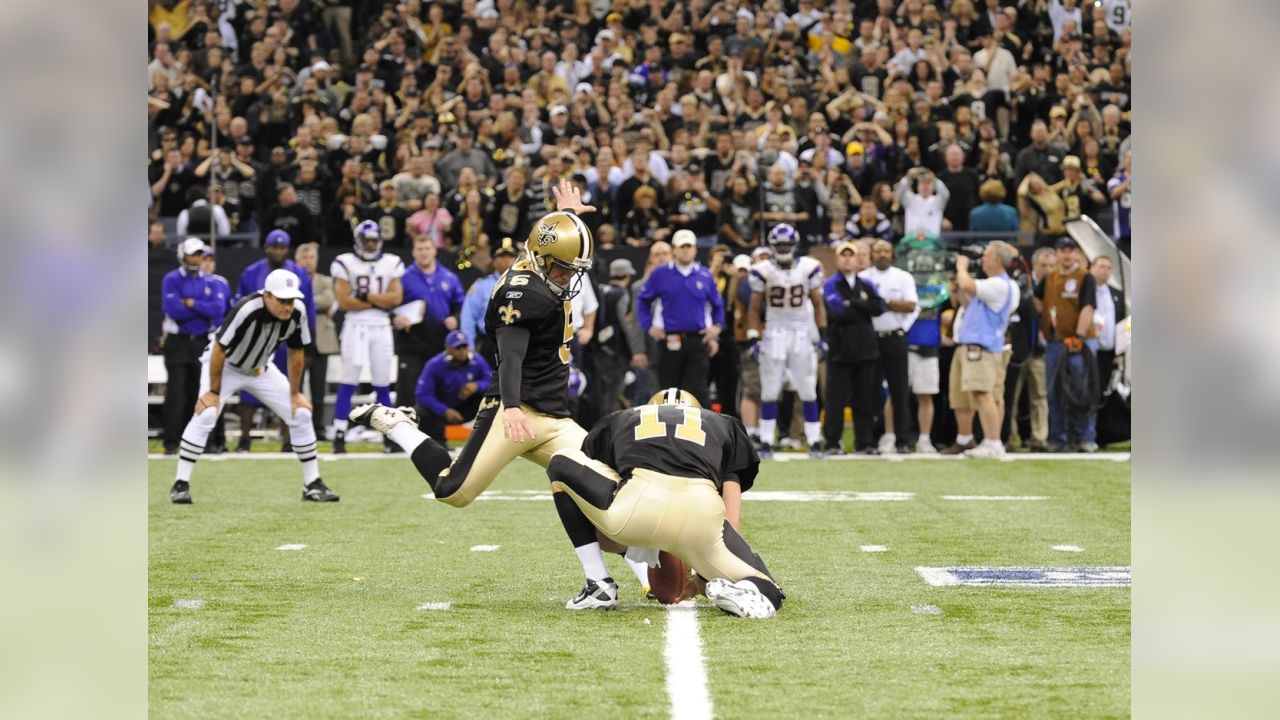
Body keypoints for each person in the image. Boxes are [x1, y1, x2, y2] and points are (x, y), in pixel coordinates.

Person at [346, 182, 631, 604]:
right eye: (562, 269)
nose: (568, 277)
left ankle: (603, 583)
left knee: (607, 489)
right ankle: (399, 425)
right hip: (513, 409)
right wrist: (512, 408)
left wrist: (569, 216)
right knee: (452, 491)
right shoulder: (520, 291)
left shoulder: (545, 266)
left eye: (572, 269)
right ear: (539, 261)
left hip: (553, 417)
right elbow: (510, 357)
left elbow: (549, 243)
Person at [544, 389, 785, 618]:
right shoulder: (724, 424)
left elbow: (607, 538)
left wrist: (645, 543)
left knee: (561, 461)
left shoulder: (623, 419)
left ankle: (598, 582)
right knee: (769, 589)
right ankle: (743, 591)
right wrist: (705, 570)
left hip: (637, 509)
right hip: (702, 519)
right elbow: (731, 510)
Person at [169, 268, 338, 504]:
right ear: (267, 296)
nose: (288, 306)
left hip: (260, 369)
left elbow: (297, 351)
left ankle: (312, 484)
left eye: (291, 300)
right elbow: (219, 348)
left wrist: (294, 392)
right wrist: (214, 392)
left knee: (300, 413)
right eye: (282, 300)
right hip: (225, 365)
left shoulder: (297, 312)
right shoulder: (247, 308)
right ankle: (180, 484)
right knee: (206, 413)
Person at [744, 224, 828, 458]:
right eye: (779, 245)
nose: (783, 248)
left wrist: (822, 337)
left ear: (794, 245)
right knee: (770, 389)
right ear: (772, 246)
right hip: (774, 332)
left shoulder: (808, 268)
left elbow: (818, 304)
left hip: (801, 331)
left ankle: (814, 441)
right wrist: (753, 339)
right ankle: (767, 441)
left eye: (786, 244)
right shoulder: (762, 270)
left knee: (808, 387)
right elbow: (754, 308)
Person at [232, 230, 316, 452]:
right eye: (274, 247)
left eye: (282, 248)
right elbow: (239, 306)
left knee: (290, 388)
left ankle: (289, 440)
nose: (278, 251)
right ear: (266, 247)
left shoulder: (298, 274)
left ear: (287, 250)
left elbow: (308, 311)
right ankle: (244, 439)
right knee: (248, 391)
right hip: (256, 340)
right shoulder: (251, 273)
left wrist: (307, 347)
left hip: (287, 339)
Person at [329, 219, 405, 453]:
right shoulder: (344, 262)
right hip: (355, 326)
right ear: (359, 241)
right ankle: (340, 433)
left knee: (382, 381)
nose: (371, 245)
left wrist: (365, 296)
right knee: (349, 379)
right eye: (367, 241)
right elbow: (344, 302)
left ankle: (388, 436)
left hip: (381, 326)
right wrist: (378, 300)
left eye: (374, 241)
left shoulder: (391, 262)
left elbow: (396, 299)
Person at [635, 230, 725, 407]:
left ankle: (700, 431)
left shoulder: (705, 275)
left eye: (689, 247)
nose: (685, 251)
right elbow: (642, 300)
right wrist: (648, 326)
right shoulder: (660, 274)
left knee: (698, 389)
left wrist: (716, 328)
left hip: (698, 340)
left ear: (695, 249)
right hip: (669, 340)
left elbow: (717, 305)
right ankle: (669, 432)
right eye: (681, 247)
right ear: (674, 249)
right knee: (669, 391)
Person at [951, 242, 1021, 458]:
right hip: (982, 344)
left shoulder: (999, 285)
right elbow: (966, 302)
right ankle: (991, 441)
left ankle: (993, 442)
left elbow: (969, 285)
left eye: (987, 255)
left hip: (982, 346)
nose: (982, 258)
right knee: (989, 395)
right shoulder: (996, 285)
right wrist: (958, 284)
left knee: (984, 394)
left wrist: (961, 267)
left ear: (999, 260)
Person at [160, 238, 229, 455]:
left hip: (202, 341)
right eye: (193, 254)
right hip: (178, 342)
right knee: (176, 392)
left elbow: (217, 310)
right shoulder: (171, 279)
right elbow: (174, 311)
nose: (197, 258)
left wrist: (191, 303)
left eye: (199, 254)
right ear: (182, 255)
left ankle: (203, 443)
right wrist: (201, 309)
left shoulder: (210, 281)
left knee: (202, 392)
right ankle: (171, 442)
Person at [393, 233, 465, 438]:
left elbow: (460, 306)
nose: (424, 253)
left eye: (427, 248)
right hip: (412, 343)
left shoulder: (449, 277)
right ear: (414, 252)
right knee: (407, 390)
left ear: (434, 250)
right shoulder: (403, 277)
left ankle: (436, 437)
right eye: (420, 249)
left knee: (437, 391)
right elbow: (391, 306)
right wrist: (396, 319)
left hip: (439, 344)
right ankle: (400, 438)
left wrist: (455, 319)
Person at [822, 240, 887, 454]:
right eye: (844, 255)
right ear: (837, 259)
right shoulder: (831, 284)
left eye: (851, 255)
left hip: (865, 349)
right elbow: (837, 311)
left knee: (865, 399)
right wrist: (862, 304)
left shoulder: (867, 283)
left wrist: (854, 302)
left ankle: (865, 442)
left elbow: (880, 307)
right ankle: (832, 442)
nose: (848, 258)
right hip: (840, 350)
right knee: (835, 400)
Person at [1035, 237, 1099, 452]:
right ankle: (1057, 438)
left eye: (1070, 250)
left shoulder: (1084, 277)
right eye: (1062, 250)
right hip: (1054, 342)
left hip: (1077, 342)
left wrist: (1079, 336)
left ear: (1076, 254)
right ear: (1057, 253)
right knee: (1054, 392)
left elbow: (1088, 307)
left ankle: (1084, 437)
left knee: (1081, 390)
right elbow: (1037, 301)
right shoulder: (1049, 278)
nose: (1066, 254)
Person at [859, 240, 919, 455]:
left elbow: (912, 306)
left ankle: (903, 440)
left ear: (892, 254)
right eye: (878, 251)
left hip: (895, 336)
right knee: (868, 390)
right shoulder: (864, 277)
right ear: (872, 254)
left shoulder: (903, 277)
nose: (882, 254)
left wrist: (882, 302)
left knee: (899, 390)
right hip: (870, 339)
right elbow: (862, 307)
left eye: (886, 251)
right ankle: (868, 440)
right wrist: (889, 304)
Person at [581, 258, 647, 426]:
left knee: (601, 392)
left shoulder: (602, 290)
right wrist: (634, 350)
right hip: (615, 353)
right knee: (612, 394)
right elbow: (625, 324)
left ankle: (600, 426)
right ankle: (610, 430)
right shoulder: (621, 294)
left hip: (597, 350)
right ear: (627, 275)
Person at [414, 331, 493, 446]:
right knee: (420, 410)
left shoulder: (477, 360)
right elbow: (422, 394)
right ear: (448, 348)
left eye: (464, 346)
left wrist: (477, 386)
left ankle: (486, 442)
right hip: (441, 409)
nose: (462, 350)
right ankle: (435, 443)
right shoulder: (434, 364)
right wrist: (444, 410)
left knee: (493, 400)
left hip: (467, 407)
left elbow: (492, 382)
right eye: (458, 347)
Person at [295, 242, 338, 438]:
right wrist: (314, 302)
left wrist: (303, 301)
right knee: (295, 386)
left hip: (320, 341)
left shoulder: (325, 280)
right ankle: (297, 428)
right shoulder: (292, 280)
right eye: (304, 258)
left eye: (311, 257)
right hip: (297, 341)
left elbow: (328, 299)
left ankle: (318, 427)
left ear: (317, 260)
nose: (307, 261)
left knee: (318, 388)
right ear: (297, 260)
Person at [459, 236, 519, 370]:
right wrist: (469, 348)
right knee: (488, 386)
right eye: (501, 256)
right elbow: (468, 317)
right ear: (493, 261)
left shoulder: (528, 285)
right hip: (490, 344)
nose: (507, 260)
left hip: (519, 342)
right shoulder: (481, 286)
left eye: (510, 256)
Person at [1089, 255, 1125, 409]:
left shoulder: (1117, 294)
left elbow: (1122, 324)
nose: (1105, 271)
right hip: (1089, 351)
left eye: (1109, 268)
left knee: (1105, 391)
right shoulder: (1085, 290)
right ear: (1092, 268)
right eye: (1101, 266)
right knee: (1089, 389)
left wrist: (1120, 353)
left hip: (1108, 353)